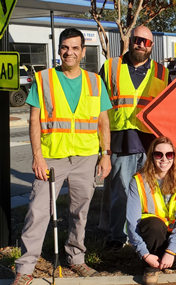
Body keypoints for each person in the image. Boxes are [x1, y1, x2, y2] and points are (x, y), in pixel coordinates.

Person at [12, 28, 112, 285]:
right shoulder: (43, 78)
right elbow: (34, 120)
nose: (69, 52)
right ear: (59, 49)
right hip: (52, 158)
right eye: (65, 47)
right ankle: (25, 267)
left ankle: (76, 257)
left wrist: (105, 154)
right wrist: (37, 156)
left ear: (83, 51)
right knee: (38, 211)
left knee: (80, 212)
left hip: (86, 157)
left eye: (75, 47)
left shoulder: (94, 81)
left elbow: (103, 121)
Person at [100, 25, 170, 249]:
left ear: (151, 46)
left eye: (146, 42)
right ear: (130, 40)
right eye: (137, 39)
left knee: (150, 192)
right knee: (120, 192)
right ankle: (117, 237)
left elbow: (168, 108)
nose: (141, 44)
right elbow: (98, 107)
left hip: (151, 144)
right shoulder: (111, 66)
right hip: (121, 140)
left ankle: (145, 234)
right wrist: (102, 147)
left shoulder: (162, 72)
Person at [126, 136, 176, 285]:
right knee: (154, 225)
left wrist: (171, 252)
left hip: (170, 233)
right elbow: (131, 223)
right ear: (151, 156)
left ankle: (163, 259)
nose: (164, 159)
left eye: (169, 155)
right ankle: (150, 267)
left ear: (174, 157)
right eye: (158, 154)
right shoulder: (138, 181)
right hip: (150, 231)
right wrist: (144, 254)